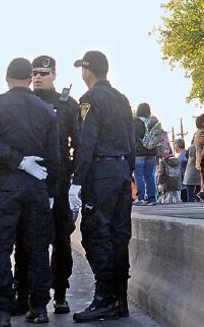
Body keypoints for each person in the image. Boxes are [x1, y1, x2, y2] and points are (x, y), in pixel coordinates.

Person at [0, 58, 60, 326]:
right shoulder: (47, 109)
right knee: (37, 248)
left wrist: (17, 160)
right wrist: (49, 190)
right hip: (37, 183)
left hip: (5, 183)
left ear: (6, 78)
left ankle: (2, 310)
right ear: (29, 78)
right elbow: (54, 154)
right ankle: (39, 307)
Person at [71, 50, 136, 322]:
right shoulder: (121, 99)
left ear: (87, 71)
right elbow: (132, 139)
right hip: (121, 169)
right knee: (119, 236)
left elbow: (87, 142)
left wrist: (77, 181)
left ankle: (104, 297)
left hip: (101, 172)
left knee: (97, 234)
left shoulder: (89, 99)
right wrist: (128, 172)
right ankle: (119, 299)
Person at [20, 54, 80, 316]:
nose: (37, 77)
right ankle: (25, 293)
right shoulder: (23, 101)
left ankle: (60, 293)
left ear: (54, 75)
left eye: (43, 73)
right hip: (29, 179)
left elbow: (78, 143)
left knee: (60, 239)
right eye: (34, 73)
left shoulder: (67, 104)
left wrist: (76, 181)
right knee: (25, 241)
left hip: (57, 180)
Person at [132, 103, 161, 206]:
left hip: (139, 152)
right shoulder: (153, 121)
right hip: (152, 151)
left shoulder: (134, 121)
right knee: (150, 175)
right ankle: (152, 198)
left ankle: (140, 198)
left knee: (138, 175)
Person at [186, 122, 203, 202]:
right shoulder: (199, 146)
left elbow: (187, 156)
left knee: (190, 191)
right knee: (198, 188)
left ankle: (191, 201)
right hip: (198, 169)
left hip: (190, 170)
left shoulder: (191, 147)